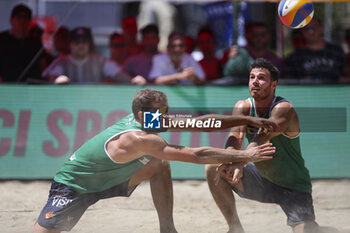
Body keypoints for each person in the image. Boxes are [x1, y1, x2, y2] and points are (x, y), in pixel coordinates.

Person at [32, 88, 277, 233]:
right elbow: (195, 155)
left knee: (159, 165)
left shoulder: (146, 120)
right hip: (74, 188)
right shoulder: (140, 138)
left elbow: (202, 122)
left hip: (109, 180)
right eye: (162, 111)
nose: (167, 116)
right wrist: (245, 155)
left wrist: (246, 121)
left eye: (167, 109)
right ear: (143, 114)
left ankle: (167, 230)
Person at [206, 58, 339, 233]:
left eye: (261, 78)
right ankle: (235, 228)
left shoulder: (284, 109)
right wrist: (231, 159)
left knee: (306, 231)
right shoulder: (243, 106)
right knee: (213, 166)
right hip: (263, 180)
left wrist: (240, 162)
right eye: (252, 77)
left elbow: (263, 135)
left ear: (273, 84)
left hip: (294, 186)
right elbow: (235, 137)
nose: (255, 81)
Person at [42, 27, 126, 84]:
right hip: (68, 106)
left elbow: (119, 75)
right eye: (77, 42)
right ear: (70, 44)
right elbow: (46, 78)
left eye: (84, 42)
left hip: (95, 106)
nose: (81, 45)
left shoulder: (100, 61)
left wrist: (134, 81)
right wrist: (56, 80)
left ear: (89, 44)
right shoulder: (62, 62)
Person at [283, 18, 347, 84]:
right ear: (302, 31)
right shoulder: (295, 57)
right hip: (306, 93)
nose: (311, 31)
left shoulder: (336, 51)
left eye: (314, 27)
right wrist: (301, 81)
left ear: (321, 28)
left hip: (335, 92)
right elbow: (288, 81)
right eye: (306, 28)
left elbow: (346, 74)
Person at [0, 3, 44, 83]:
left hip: (31, 88)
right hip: (6, 88)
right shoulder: (2, 39)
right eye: (19, 17)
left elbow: (42, 65)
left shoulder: (35, 42)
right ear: (11, 20)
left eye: (26, 17)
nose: (22, 21)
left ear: (30, 21)